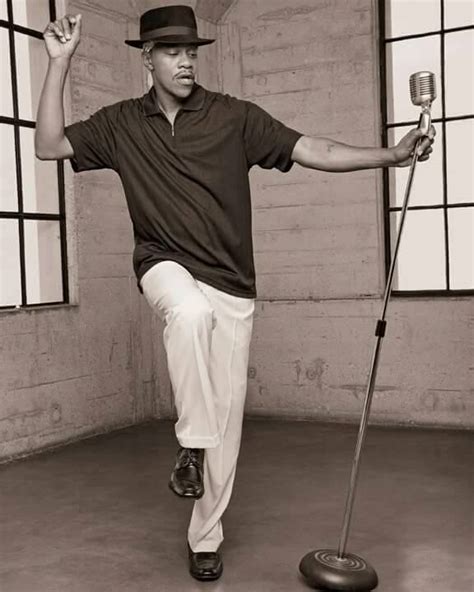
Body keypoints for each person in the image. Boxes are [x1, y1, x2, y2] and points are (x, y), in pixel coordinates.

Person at [35, 4, 434, 582]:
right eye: (172, 51)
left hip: (232, 283)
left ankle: (205, 536)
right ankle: (190, 445)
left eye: (191, 51)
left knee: (227, 428)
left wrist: (391, 155)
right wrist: (59, 62)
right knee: (188, 312)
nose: (186, 61)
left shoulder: (234, 117)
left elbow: (313, 149)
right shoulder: (120, 124)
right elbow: (49, 145)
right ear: (147, 58)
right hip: (164, 266)